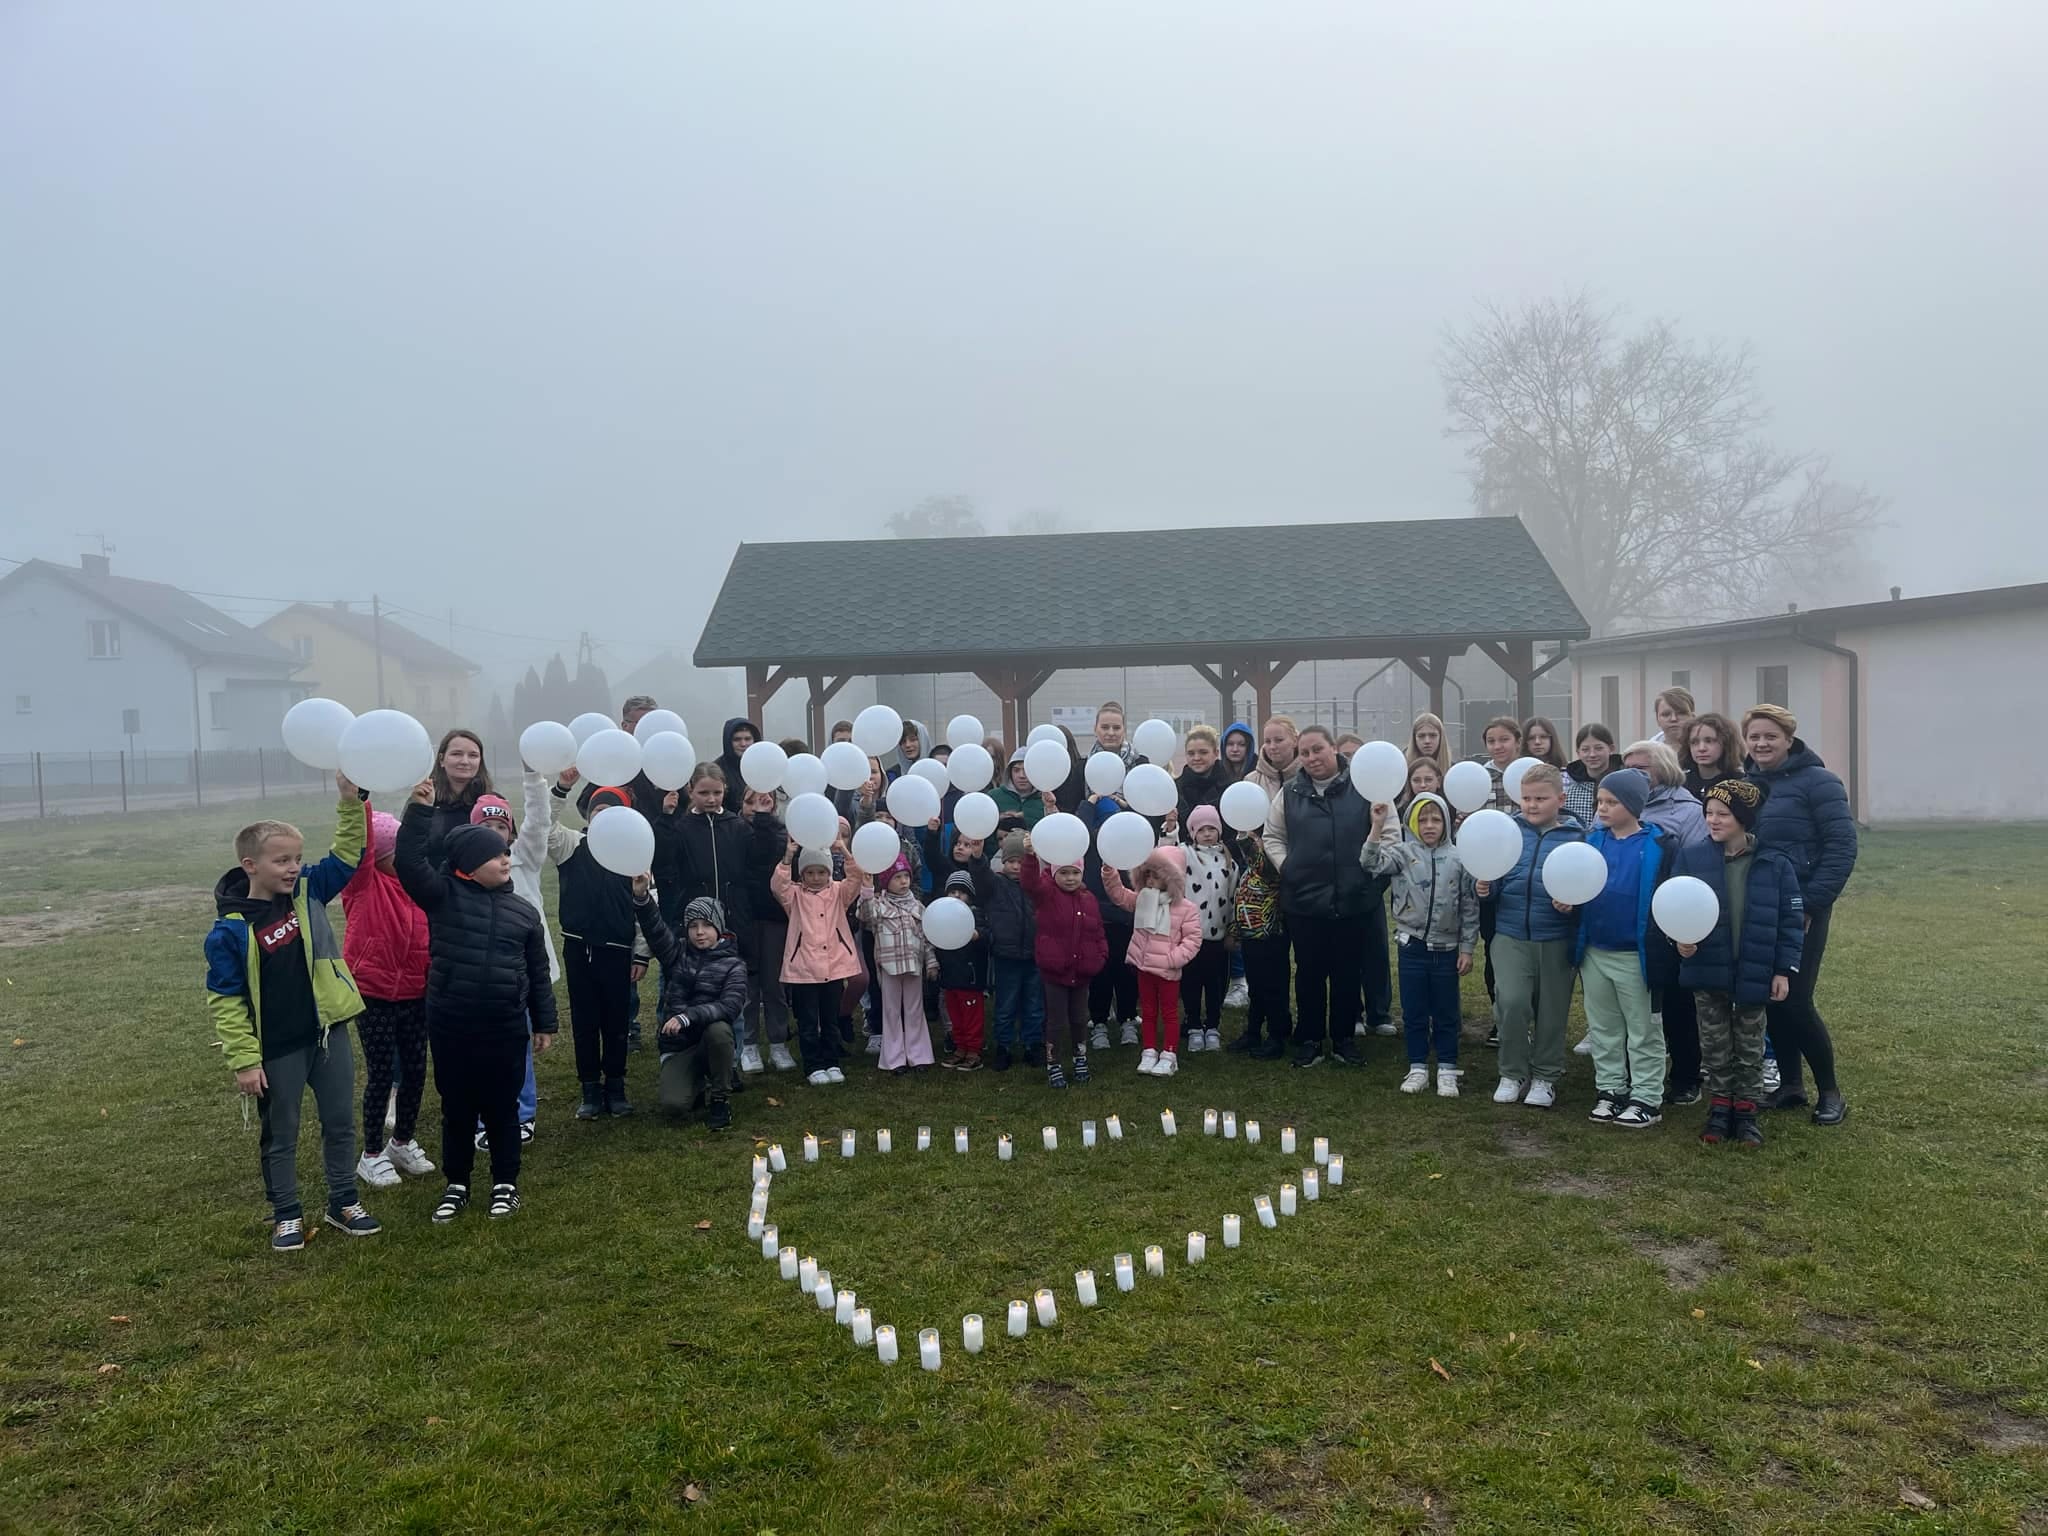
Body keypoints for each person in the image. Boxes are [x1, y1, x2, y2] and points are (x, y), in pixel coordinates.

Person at [206, 777, 380, 1251]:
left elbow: (347, 856)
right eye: (282, 860)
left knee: (340, 1122)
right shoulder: (229, 932)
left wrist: (350, 803)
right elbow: (225, 1000)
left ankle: (344, 1201)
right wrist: (245, 1060)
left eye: (297, 859)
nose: (293, 868)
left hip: (326, 1035)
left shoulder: (307, 891)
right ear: (250, 865)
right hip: (276, 1048)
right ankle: (286, 1214)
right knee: (281, 1133)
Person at [395, 783, 558, 1223]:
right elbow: (408, 862)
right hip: (451, 1024)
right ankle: (458, 1183)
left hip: (504, 1026)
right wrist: (419, 810)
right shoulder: (443, 896)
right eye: (496, 855)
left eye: (506, 853)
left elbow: (537, 972)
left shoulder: (523, 913)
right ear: (468, 865)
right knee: (458, 1107)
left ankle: (506, 1183)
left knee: (502, 1107)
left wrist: (544, 1022)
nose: (507, 860)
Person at [1672, 779, 1803, 1147]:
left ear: (1744, 819)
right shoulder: (1692, 857)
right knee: (1714, 1043)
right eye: (1709, 813)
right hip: (1706, 966)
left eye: (1723, 815)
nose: (1712, 821)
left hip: (1755, 968)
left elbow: (1789, 922)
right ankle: (1719, 1108)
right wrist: (1678, 940)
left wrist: (1783, 969)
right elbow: (1672, 904)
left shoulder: (1774, 864)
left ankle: (1746, 1110)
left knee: (1749, 1044)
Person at [1743, 703, 1855, 1125]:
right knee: (1772, 998)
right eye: (1754, 736)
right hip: (1758, 907)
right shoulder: (1746, 785)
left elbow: (1841, 847)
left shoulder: (1819, 782)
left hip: (1802, 908)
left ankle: (1830, 1092)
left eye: (1770, 736)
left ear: (1789, 739)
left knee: (1797, 999)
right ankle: (1790, 1086)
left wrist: (1810, 904)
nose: (1761, 743)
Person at [1562, 769, 1677, 1128]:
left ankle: (1646, 1097)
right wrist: (1568, 903)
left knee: (1643, 1029)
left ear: (1633, 804)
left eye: (1612, 802)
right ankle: (1610, 1090)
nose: (1603, 808)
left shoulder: (1660, 846)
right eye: (1600, 801)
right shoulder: (1592, 841)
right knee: (1604, 1027)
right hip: (1595, 951)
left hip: (1637, 955)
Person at [659, 762, 789, 1076]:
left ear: (725, 792)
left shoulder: (736, 824)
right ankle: (690, 1052)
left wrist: (763, 818)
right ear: (691, 791)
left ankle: (737, 1052)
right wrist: (665, 816)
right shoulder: (681, 827)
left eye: (717, 792)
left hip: (734, 918)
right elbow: (664, 862)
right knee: (696, 985)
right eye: (703, 792)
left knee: (735, 986)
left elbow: (762, 856)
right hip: (695, 921)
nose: (711, 799)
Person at [1260, 725, 1376, 1068]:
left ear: (1333, 748)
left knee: (1347, 973)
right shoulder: (1290, 792)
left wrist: (1368, 875)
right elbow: (1272, 836)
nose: (1311, 758)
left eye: (1318, 750)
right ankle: (1309, 1038)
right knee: (1309, 972)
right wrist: (1287, 868)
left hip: (1352, 899)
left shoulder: (1363, 787)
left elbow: (1385, 834)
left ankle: (1343, 1040)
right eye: (1305, 752)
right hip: (1305, 903)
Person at [1472, 762, 1583, 1109]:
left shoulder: (1578, 838)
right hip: (1510, 935)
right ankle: (1512, 1071)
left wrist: (1572, 906)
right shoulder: (1508, 832)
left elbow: (1587, 886)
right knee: (1512, 1002)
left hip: (1555, 938)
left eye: (1541, 798)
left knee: (1552, 1010)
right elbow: (1495, 880)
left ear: (1560, 798)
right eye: (1526, 798)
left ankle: (1545, 1076)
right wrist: (1485, 888)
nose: (1532, 805)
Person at [339, 809, 435, 1191]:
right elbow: (359, 852)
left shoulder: (418, 884)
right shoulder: (363, 883)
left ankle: (402, 1141)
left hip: (416, 989)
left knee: (414, 1070)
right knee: (381, 1074)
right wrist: (360, 798)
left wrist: (420, 808)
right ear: (378, 857)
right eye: (397, 854)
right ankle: (372, 1153)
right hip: (374, 991)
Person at [1363, 792, 1478, 1096]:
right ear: (1411, 822)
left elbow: (1468, 905)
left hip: (1447, 949)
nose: (1429, 825)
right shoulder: (1402, 853)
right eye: (1422, 819)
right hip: (1411, 946)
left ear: (1446, 823)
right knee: (1414, 1010)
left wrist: (1467, 948)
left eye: (1436, 819)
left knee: (1446, 1012)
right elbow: (1370, 862)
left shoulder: (1459, 858)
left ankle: (1447, 1068)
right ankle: (1417, 1067)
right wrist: (1376, 827)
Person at [548, 785, 648, 1121]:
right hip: (579, 946)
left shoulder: (633, 853)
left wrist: (641, 953)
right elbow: (543, 826)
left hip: (617, 950)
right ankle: (590, 1087)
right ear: (589, 815)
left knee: (617, 1021)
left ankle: (616, 1086)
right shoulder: (572, 845)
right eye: (597, 810)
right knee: (584, 1020)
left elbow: (645, 903)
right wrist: (559, 790)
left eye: (611, 811)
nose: (603, 816)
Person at [1620, 737, 1710, 1103]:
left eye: (1640, 769)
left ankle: (1687, 1077)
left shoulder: (1688, 811)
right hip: (1626, 918)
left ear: (1664, 769)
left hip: (1670, 919)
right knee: (1631, 1003)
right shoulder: (1616, 805)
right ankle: (1633, 1073)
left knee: (1675, 1002)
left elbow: (1697, 863)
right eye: (1626, 769)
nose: (1632, 775)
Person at [631, 890, 745, 1128]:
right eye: (693, 926)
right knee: (674, 1106)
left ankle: (719, 1099)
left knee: (720, 1030)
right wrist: (642, 897)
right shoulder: (677, 953)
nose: (699, 932)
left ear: (719, 928)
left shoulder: (734, 964)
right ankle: (695, 1085)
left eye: (706, 925)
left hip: (712, 1041)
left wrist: (687, 1017)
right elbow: (655, 929)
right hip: (679, 1045)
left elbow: (730, 1006)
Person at [1100, 844, 1203, 1075]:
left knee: (1169, 1012)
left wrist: (1173, 959)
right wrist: (1109, 871)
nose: (1150, 881)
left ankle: (1169, 1053)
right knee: (1147, 1011)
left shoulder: (1186, 908)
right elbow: (1119, 895)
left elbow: (1193, 939)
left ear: (1171, 877)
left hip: (1167, 970)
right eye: (1147, 875)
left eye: (1156, 876)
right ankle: (1148, 1051)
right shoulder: (1143, 899)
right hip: (1144, 968)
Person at [769, 845, 863, 1086]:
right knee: (809, 1021)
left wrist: (844, 850)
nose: (816, 878)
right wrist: (788, 857)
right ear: (802, 874)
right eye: (810, 873)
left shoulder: (839, 893)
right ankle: (813, 1064)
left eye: (821, 872)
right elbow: (778, 886)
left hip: (834, 967)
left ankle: (831, 1061)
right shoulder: (795, 895)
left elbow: (856, 877)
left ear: (829, 872)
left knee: (830, 1019)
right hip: (804, 969)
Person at [1018, 846, 1109, 1087]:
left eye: (1075, 873)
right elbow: (1030, 883)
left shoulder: (1089, 899)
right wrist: (1030, 857)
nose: (1070, 878)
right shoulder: (1047, 895)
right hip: (1055, 971)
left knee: (1080, 1018)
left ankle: (1080, 1057)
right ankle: (1054, 1062)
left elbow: (1098, 931)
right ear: (1054, 874)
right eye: (1064, 873)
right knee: (1055, 1020)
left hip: (1082, 971)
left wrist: (1100, 955)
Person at [857, 857, 938, 1074]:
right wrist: (866, 888)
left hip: (913, 966)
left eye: (906, 877)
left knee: (914, 1010)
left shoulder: (918, 906)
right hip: (889, 966)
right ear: (886, 881)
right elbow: (864, 916)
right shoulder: (877, 904)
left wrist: (931, 963)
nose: (903, 882)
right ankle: (894, 1058)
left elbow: (926, 938)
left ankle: (918, 1055)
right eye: (897, 878)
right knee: (891, 1011)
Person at [735, 788, 796, 1070]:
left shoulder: (780, 833)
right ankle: (748, 1045)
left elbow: (769, 855)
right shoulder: (733, 831)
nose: (757, 805)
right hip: (744, 918)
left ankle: (778, 1042)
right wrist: (759, 818)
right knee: (748, 984)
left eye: (764, 800)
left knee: (774, 984)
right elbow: (752, 855)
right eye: (750, 801)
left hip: (774, 918)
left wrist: (765, 819)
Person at [1081, 792, 1139, 1050]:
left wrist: (1126, 805)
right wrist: (1090, 801)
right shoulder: (1089, 847)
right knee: (1099, 975)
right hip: (1097, 923)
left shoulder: (1131, 848)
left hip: (1125, 923)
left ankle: (1127, 1019)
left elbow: (1142, 825)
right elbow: (1079, 826)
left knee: (1126, 974)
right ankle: (1100, 1022)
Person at [1177, 805, 1236, 1052]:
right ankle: (1192, 1024)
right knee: (1190, 981)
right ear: (1193, 833)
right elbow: (1165, 853)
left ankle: (1212, 1024)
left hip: (1217, 934)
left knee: (1215, 982)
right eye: (1202, 830)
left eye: (1212, 828)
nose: (1208, 834)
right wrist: (1170, 828)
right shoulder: (1185, 854)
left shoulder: (1228, 862)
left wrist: (1233, 930)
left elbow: (1233, 896)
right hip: (1190, 934)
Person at [1227, 827, 1290, 1058]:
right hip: (1251, 937)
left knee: (1272, 987)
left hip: (1269, 935)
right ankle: (1253, 1031)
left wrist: (1245, 836)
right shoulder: (1250, 871)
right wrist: (1235, 930)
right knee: (1256, 987)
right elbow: (1240, 901)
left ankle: (1276, 1036)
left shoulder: (1271, 866)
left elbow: (1256, 857)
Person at [985, 831, 1044, 1071]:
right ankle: (1004, 1046)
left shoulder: (1036, 887)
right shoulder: (996, 884)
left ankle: (1033, 1044)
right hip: (1006, 954)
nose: (1016, 867)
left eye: (1021, 862)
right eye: (1011, 861)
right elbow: (979, 874)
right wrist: (978, 855)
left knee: (1034, 1003)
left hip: (1033, 953)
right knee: (1005, 1003)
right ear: (1003, 862)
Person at [935, 869, 991, 1071]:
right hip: (949, 976)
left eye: (962, 892)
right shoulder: (941, 916)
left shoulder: (975, 914)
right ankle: (960, 1047)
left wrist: (977, 934)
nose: (957, 896)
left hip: (970, 977)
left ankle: (974, 1050)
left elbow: (987, 935)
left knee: (972, 1016)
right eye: (952, 891)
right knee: (955, 1015)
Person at [425, 729, 494, 867]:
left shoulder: (492, 803)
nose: (465, 761)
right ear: (441, 760)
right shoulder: (425, 800)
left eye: (473, 755)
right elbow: (410, 848)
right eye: (456, 754)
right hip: (432, 883)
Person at [1174, 725, 1230, 832]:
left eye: (1203, 752)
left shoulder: (1229, 788)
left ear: (1216, 753)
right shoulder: (1176, 789)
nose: (1196, 758)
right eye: (1191, 753)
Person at [1563, 724, 1617, 828]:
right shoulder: (1570, 794)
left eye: (1598, 748)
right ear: (1578, 753)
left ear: (1611, 749)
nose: (1592, 754)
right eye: (1585, 749)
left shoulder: (1622, 787)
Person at [1684, 713, 1744, 801]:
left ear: (1726, 743)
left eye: (1709, 741)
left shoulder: (1739, 784)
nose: (1701, 748)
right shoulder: (1681, 784)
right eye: (1694, 742)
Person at [991, 749, 1050, 836]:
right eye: (1016, 770)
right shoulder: (993, 797)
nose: (1021, 775)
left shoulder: (1046, 800)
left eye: (1026, 770)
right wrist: (997, 820)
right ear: (1009, 773)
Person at [1475, 716, 1523, 810]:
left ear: (1518, 742)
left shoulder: (1530, 773)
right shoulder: (1479, 778)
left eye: (1504, 739)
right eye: (1491, 741)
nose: (1497, 746)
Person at [715, 718, 761, 813]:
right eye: (737, 739)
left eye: (747, 739)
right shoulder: (717, 770)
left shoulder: (762, 766)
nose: (743, 744)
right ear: (728, 742)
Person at [1248, 715, 1300, 798]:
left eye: (1279, 740)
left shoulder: (1310, 777)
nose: (1272, 747)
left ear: (1295, 741)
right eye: (1267, 741)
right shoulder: (1251, 781)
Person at [1398, 756, 1445, 822]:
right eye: (1416, 780)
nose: (1423, 785)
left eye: (1428, 780)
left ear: (1439, 781)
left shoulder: (1449, 809)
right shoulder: (1401, 812)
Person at [1407, 712, 1452, 779]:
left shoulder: (1453, 772)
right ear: (1414, 739)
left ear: (1441, 738)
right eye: (1421, 736)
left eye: (1433, 735)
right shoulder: (1403, 771)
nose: (1427, 741)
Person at [1093, 701, 1134, 766]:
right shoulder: (1081, 768)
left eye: (1116, 728)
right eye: (1105, 727)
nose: (1111, 733)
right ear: (1095, 729)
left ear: (1124, 731)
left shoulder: (1141, 764)